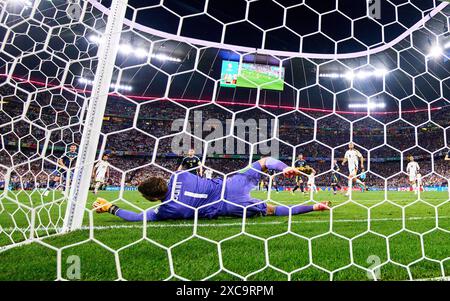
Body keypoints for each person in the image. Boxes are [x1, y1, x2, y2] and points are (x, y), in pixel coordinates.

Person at [93, 157, 330, 221]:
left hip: (228, 206)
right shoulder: (179, 174)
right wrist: (285, 167)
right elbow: (267, 161)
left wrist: (110, 208)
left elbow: (136, 218)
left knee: (271, 210)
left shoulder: (167, 210)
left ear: (152, 197)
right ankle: (287, 169)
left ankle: (315, 206)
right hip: (230, 184)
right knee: (265, 162)